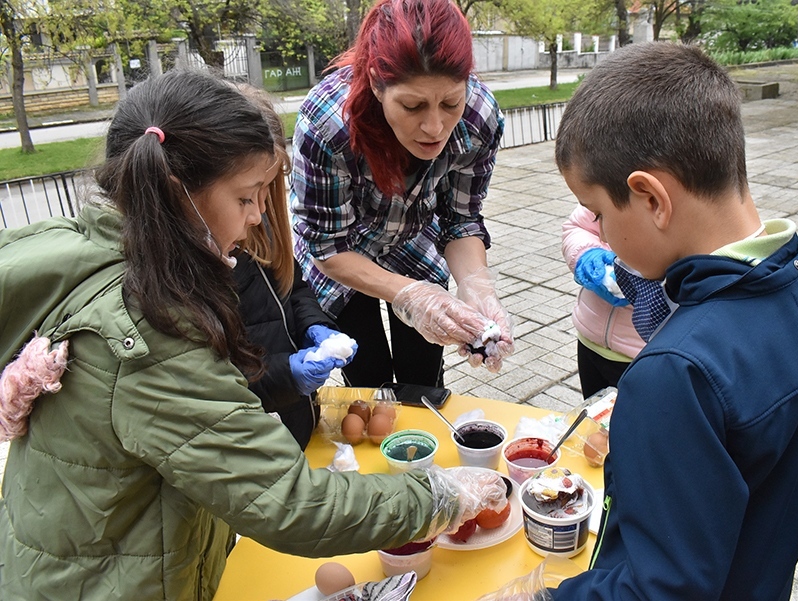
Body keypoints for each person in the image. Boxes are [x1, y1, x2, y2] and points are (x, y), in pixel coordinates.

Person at [0, 69, 507, 600]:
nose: (257, 218)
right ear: (177, 195)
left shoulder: (95, 250)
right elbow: (292, 504)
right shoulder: (149, 335)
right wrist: (440, 498)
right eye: (246, 199)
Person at [548, 43, 798, 600]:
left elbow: (659, 588)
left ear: (650, 198)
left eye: (598, 213)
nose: (601, 234)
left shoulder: (674, 373)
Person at [290, 0, 514, 388]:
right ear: (377, 83)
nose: (435, 127)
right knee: (367, 373)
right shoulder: (328, 124)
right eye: (412, 106)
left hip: (413, 240)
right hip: (344, 254)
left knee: (423, 374)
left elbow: (461, 221)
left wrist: (477, 287)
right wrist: (409, 295)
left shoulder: (478, 118)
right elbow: (327, 246)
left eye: (450, 102)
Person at [232, 84, 354, 450]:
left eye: (268, 190)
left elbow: (293, 286)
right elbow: (211, 386)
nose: (260, 212)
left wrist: (316, 326)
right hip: (253, 441)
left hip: (295, 420)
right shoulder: (192, 270)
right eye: (245, 196)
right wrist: (285, 375)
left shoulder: (259, 221)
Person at [561, 204, 645, 397]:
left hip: (642, 358)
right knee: (593, 420)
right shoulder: (612, 177)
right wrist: (586, 254)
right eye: (599, 215)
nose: (604, 235)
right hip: (590, 341)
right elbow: (578, 226)